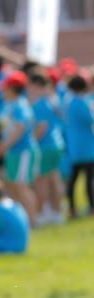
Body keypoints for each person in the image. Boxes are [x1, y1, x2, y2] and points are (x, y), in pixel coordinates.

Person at [0, 71, 39, 225]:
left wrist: (4, 145)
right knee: (12, 186)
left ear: (13, 89)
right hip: (13, 151)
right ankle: (21, 220)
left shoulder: (20, 105)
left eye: (5, 88)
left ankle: (32, 221)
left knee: (21, 186)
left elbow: (19, 128)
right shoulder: (9, 105)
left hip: (23, 151)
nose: (2, 91)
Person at [27, 71, 66, 225]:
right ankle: (55, 212)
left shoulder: (41, 103)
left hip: (46, 146)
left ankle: (44, 212)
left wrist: (32, 142)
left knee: (42, 181)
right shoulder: (48, 101)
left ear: (36, 85)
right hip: (54, 144)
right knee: (53, 179)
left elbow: (42, 127)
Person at [63, 73, 94, 219]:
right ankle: (91, 207)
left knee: (73, 179)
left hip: (75, 146)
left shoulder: (68, 101)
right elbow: (89, 119)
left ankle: (72, 208)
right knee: (89, 179)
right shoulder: (81, 102)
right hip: (86, 147)